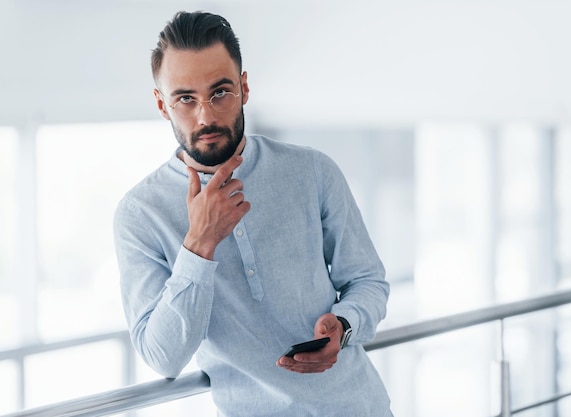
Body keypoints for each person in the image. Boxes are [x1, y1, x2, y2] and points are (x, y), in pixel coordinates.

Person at [113, 10, 393, 417]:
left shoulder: (312, 170)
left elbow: (368, 280)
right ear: (162, 105)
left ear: (244, 88)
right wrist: (199, 244)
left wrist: (344, 325)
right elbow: (162, 356)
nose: (206, 115)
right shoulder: (140, 214)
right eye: (185, 99)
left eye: (220, 92)